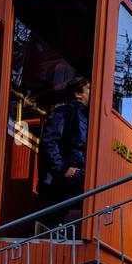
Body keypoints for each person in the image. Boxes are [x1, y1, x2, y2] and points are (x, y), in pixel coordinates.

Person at [36, 75, 91, 232]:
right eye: (88, 89)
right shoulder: (64, 112)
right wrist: (63, 168)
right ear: (78, 94)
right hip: (62, 177)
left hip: (78, 172)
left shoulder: (89, 118)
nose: (92, 92)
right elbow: (49, 141)